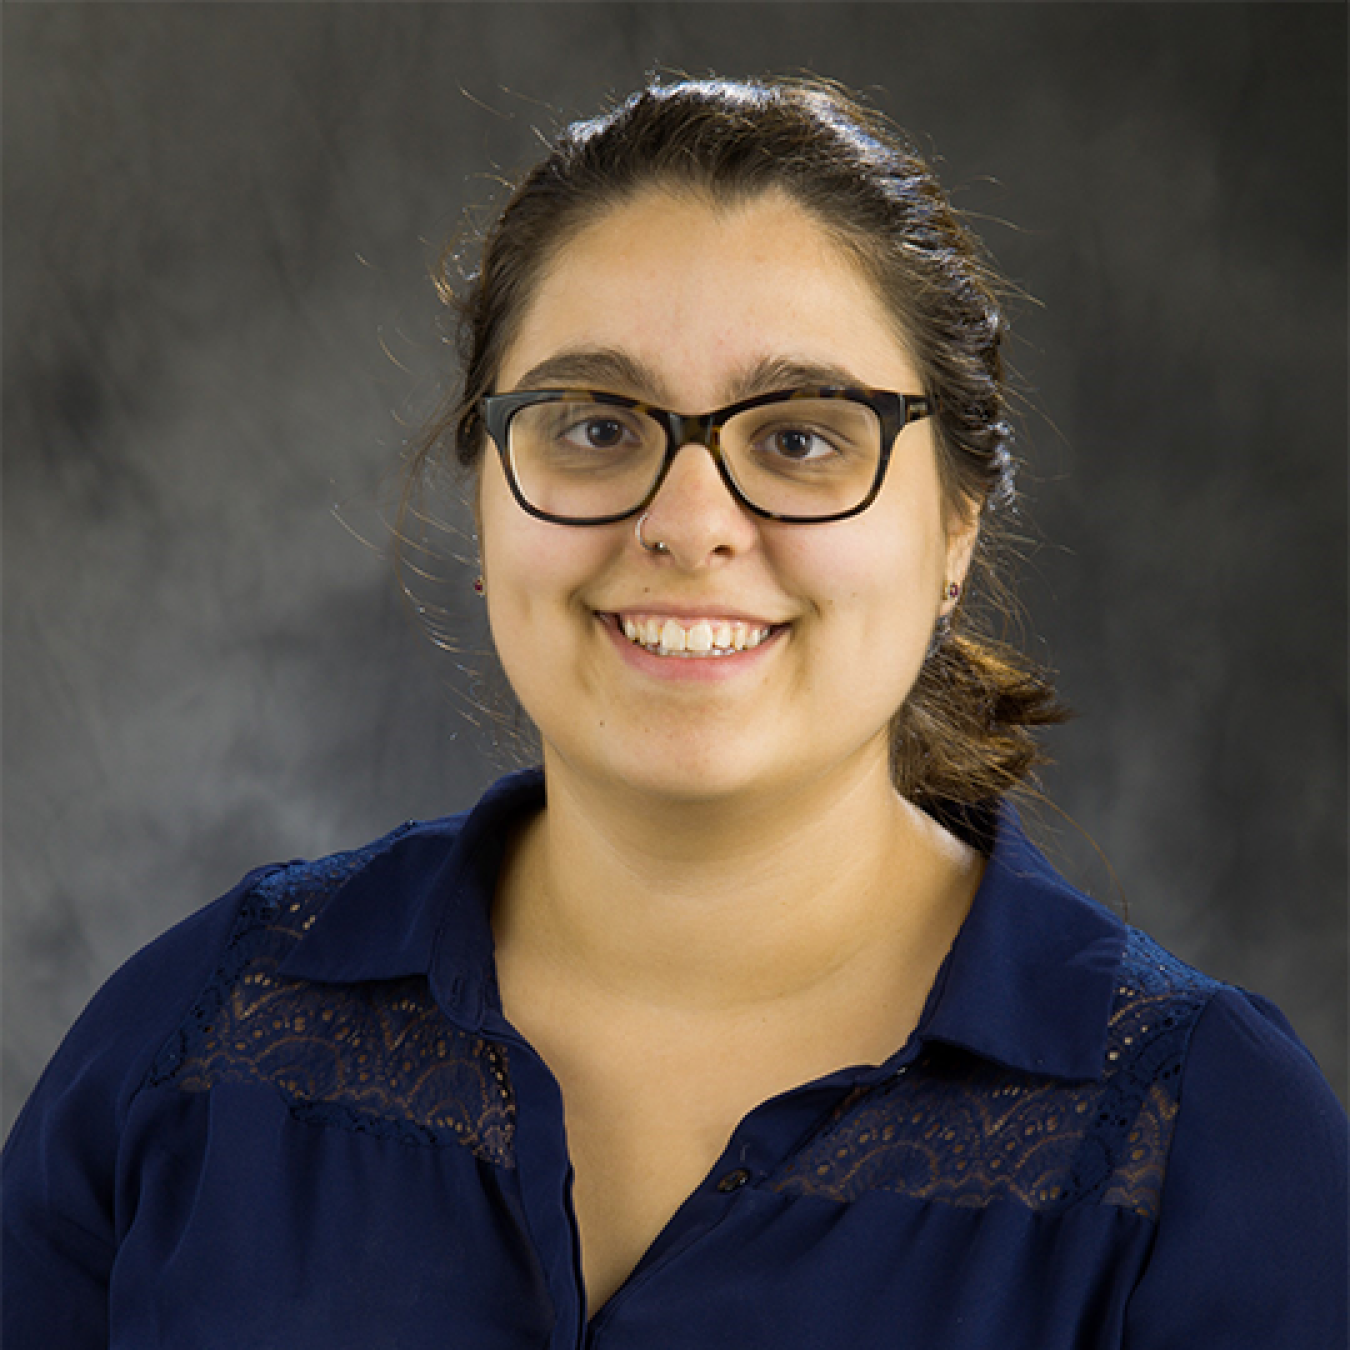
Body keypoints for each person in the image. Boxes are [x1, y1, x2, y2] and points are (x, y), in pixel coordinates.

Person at [2, 74, 1348, 1347]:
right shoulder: (194, 1031)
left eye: (801, 435)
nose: (687, 522)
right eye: (594, 424)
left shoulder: (1206, 1136)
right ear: (485, 489)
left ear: (953, 523)